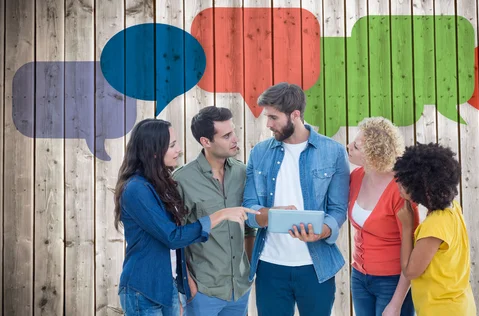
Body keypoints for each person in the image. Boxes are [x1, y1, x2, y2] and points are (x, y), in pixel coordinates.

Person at [114, 118, 257, 316]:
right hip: (144, 290)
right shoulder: (136, 189)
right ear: (154, 151)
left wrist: (182, 284)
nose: (179, 150)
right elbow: (172, 236)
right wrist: (220, 215)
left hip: (167, 287)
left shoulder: (160, 184)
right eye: (172, 145)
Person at [242, 82, 350, 316]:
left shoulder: (333, 152)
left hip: (316, 266)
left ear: (295, 115)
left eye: (273, 117)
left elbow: (339, 208)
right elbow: (249, 209)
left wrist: (323, 230)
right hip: (270, 267)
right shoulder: (259, 153)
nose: (268, 124)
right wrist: (269, 214)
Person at [173, 106, 256, 316]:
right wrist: (188, 285)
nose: (235, 139)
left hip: (239, 290)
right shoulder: (182, 180)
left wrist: (248, 271)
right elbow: (173, 239)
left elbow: (249, 228)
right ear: (205, 141)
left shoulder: (243, 173)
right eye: (226, 136)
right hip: (202, 291)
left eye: (234, 132)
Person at [347, 117, 419, 316]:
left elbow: (412, 249)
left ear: (373, 156)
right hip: (359, 277)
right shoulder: (356, 177)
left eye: (356, 146)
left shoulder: (401, 190)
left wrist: (396, 304)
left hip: (393, 281)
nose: (348, 147)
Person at [393, 142, 476, 316]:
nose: (398, 185)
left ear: (423, 190)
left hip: (441, 310)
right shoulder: (453, 208)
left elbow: (410, 271)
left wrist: (407, 227)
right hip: (460, 304)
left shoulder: (434, 226)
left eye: (405, 183)